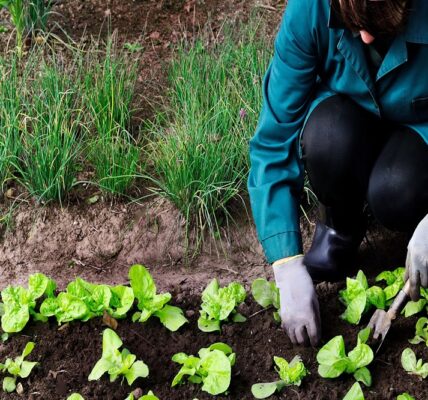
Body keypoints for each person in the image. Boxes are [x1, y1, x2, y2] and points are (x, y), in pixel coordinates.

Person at [248, 0, 428, 347]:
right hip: (349, 119)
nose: (362, 37)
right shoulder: (311, 9)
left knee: (395, 191)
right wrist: (285, 263)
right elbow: (274, 138)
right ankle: (341, 229)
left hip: (419, 132)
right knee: (326, 140)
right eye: (353, 24)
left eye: (376, 28)